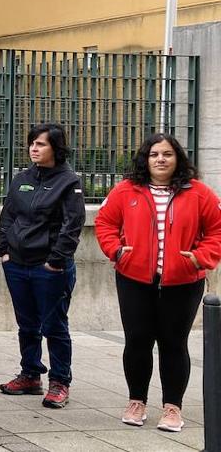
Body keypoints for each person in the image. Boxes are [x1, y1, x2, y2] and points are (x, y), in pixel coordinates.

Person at [95, 132, 221, 433]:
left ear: (177, 158)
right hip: (134, 279)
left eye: (167, 154)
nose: (160, 159)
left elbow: (217, 231)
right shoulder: (126, 191)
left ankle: (172, 407)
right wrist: (116, 250)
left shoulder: (199, 193)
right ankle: (136, 401)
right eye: (154, 154)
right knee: (137, 341)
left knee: (173, 344)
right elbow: (104, 223)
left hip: (184, 281)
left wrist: (199, 257)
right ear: (145, 159)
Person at [0, 123, 85, 409]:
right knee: (27, 324)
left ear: (56, 148)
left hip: (49, 268)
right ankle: (31, 374)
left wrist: (56, 262)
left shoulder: (69, 182)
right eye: (32, 142)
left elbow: (72, 226)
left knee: (54, 325)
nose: (34, 148)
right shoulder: (22, 178)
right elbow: (7, 216)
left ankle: (60, 381)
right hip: (17, 265)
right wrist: (4, 251)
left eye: (41, 144)